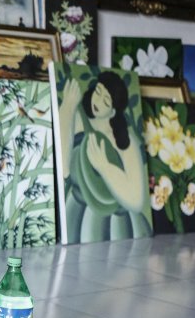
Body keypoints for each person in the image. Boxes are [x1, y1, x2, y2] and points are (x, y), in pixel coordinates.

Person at [57, 71, 151, 241]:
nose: (98, 101)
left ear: (114, 111)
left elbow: (136, 199)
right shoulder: (78, 118)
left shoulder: (124, 139)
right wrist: (67, 108)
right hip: (76, 210)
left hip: (116, 222)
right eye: (98, 92)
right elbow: (64, 170)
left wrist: (105, 167)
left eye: (106, 101)